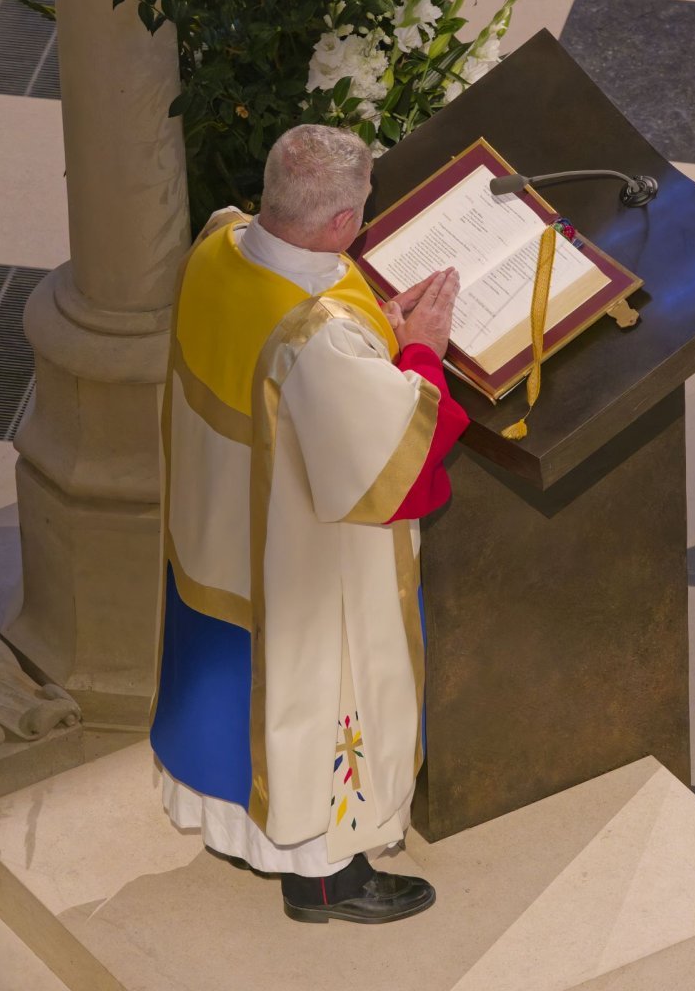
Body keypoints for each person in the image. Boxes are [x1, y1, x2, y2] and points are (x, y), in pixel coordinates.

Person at [150, 124, 469, 924]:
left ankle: (236, 833)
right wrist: (421, 352)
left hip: (216, 533)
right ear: (342, 222)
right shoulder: (315, 337)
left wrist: (374, 326)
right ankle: (325, 877)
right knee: (315, 696)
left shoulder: (217, 244)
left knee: (230, 689)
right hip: (297, 567)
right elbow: (394, 460)